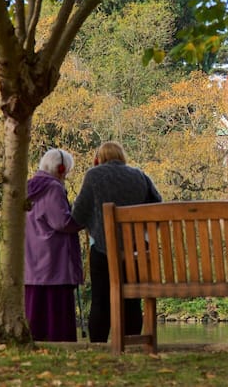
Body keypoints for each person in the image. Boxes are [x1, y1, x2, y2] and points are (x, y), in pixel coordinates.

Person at [71, 141, 161, 343]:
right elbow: (157, 207)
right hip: (136, 252)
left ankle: (99, 344)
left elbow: (78, 215)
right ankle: (132, 342)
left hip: (103, 252)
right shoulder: (139, 175)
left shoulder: (94, 176)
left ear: (98, 159)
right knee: (132, 300)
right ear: (122, 157)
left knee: (100, 300)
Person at [24, 148, 84, 342]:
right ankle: (60, 345)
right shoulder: (53, 188)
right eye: (67, 171)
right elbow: (62, 222)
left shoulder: (28, 187)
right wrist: (83, 220)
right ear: (61, 169)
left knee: (35, 310)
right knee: (56, 312)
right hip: (54, 261)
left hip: (31, 260)